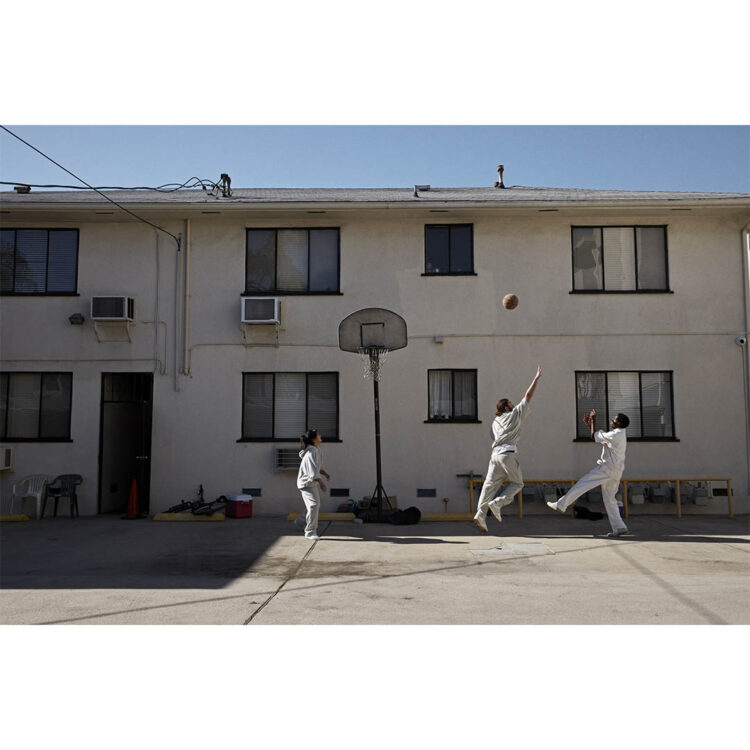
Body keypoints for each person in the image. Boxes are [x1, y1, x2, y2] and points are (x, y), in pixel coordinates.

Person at [473, 365, 542, 532]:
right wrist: (536, 379)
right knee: (518, 483)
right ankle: (498, 503)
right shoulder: (515, 414)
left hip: (495, 456)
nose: (513, 404)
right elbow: (528, 396)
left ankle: (480, 515)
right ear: (506, 407)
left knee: (489, 486)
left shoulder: (495, 421)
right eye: (510, 403)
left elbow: (493, 436)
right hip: (507, 454)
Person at [546, 409, 630, 537]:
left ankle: (561, 504)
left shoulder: (615, 435)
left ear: (619, 423)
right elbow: (596, 436)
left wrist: (593, 421)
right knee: (610, 499)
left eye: (615, 419)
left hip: (607, 469)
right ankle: (619, 527)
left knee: (583, 483)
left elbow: (593, 437)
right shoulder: (618, 434)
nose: (612, 420)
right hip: (616, 471)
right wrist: (590, 425)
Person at [294, 428, 330, 541]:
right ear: (314, 439)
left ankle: (299, 522)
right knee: (314, 505)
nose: (320, 435)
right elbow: (312, 470)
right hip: (306, 483)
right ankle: (310, 532)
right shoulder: (311, 452)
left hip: (309, 482)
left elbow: (316, 467)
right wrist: (322, 483)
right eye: (318, 434)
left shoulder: (315, 450)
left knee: (313, 505)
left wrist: (325, 474)